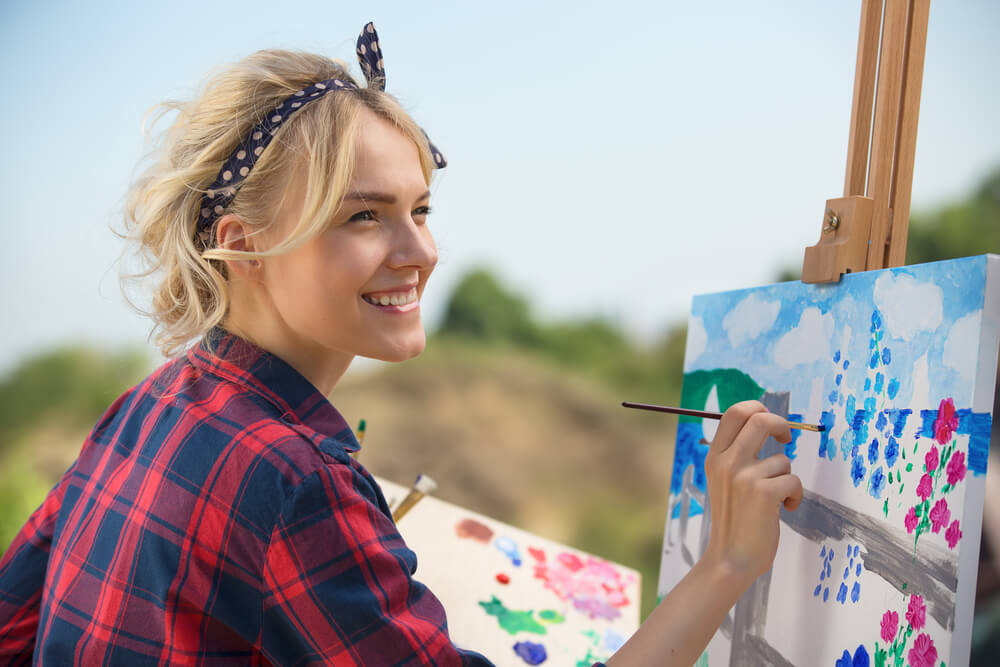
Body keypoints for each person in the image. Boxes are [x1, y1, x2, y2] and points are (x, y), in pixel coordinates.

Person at [0, 23, 802, 666]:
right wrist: (725, 564)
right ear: (242, 247)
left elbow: (13, 628)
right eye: (363, 216)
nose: (420, 252)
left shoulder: (152, 403)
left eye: (421, 208)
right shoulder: (295, 478)